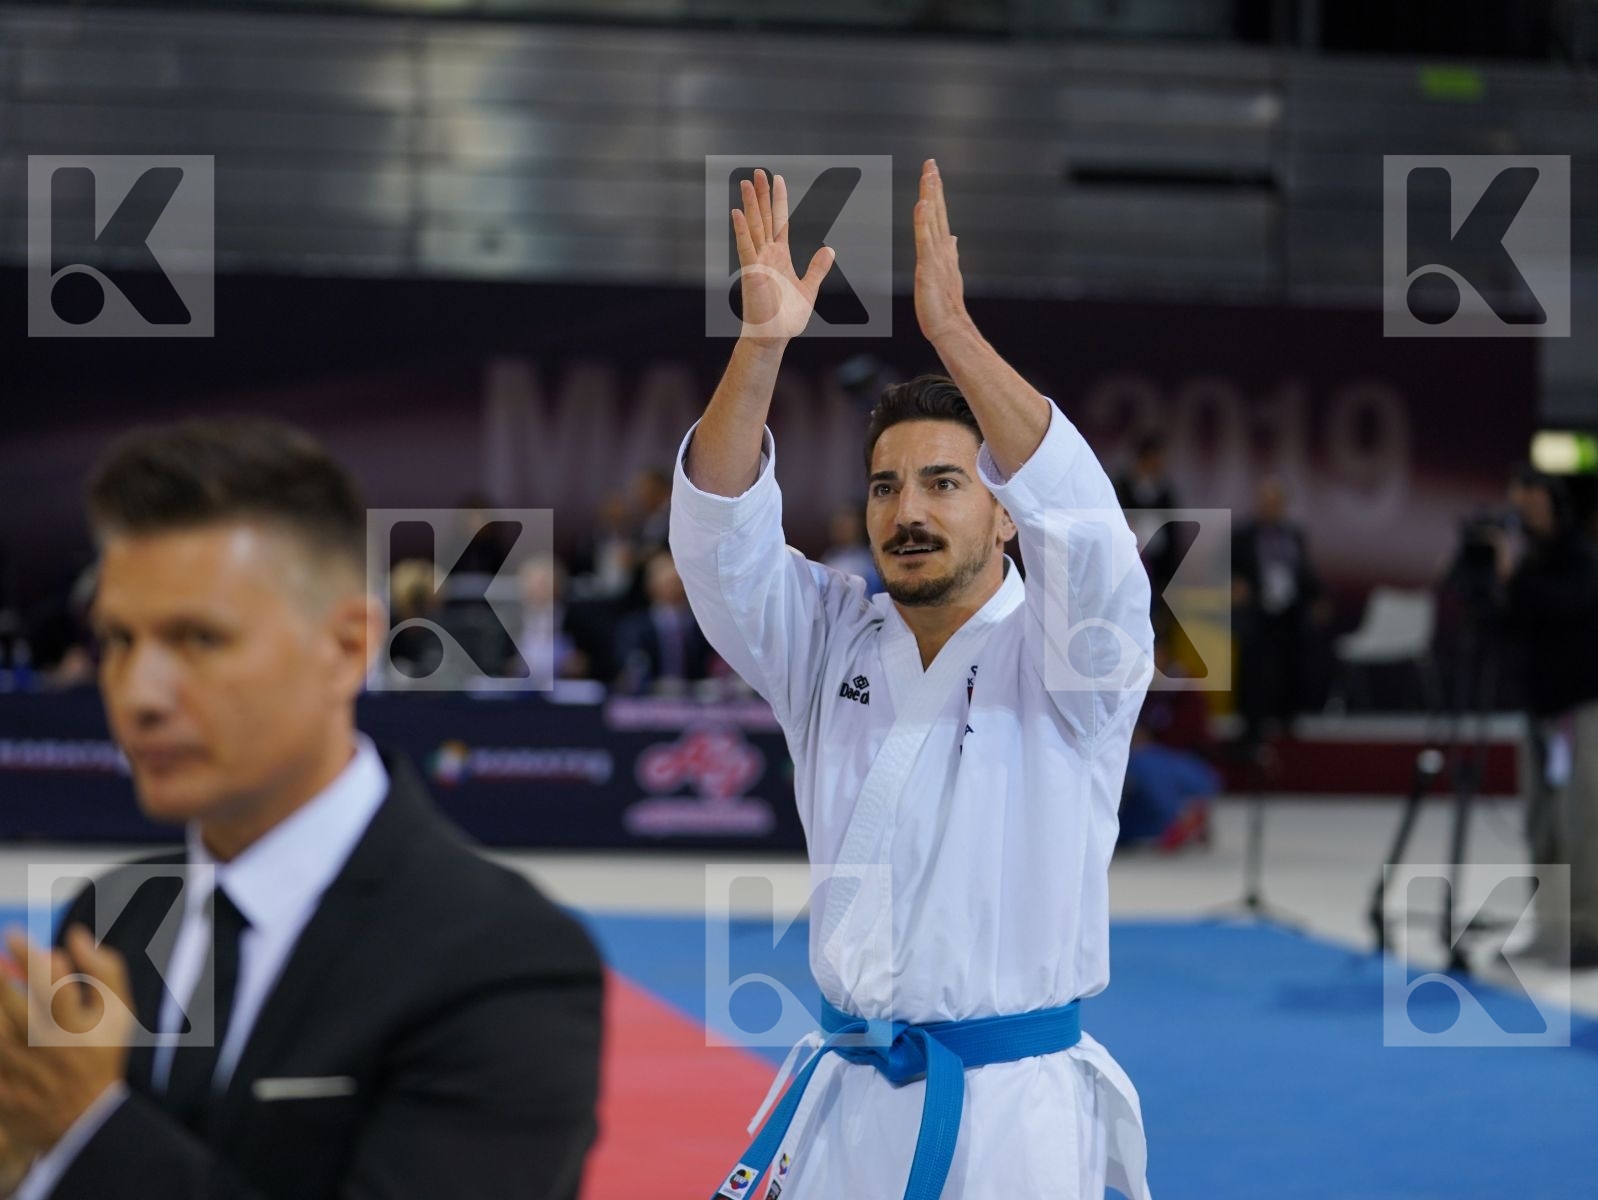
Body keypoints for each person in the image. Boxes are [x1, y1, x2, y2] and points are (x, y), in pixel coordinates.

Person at [671, 162, 1154, 1199]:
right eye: (885, 487)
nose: (908, 513)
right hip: (844, 1095)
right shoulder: (829, 639)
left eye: (943, 483)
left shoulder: (1076, 662)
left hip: (1009, 1114)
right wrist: (760, 348)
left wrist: (955, 337)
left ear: (1006, 511)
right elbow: (718, 547)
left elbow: (1092, 538)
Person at [0, 419, 604, 1199]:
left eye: (198, 639)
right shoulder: (114, 914)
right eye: (118, 639)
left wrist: (84, 1133)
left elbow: (91, 1140)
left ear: (348, 646)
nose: (140, 694)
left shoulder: (506, 959)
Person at [1491, 467, 1598, 969]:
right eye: (1520, 504)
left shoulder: (1581, 556)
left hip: (1578, 708)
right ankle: (1551, 927)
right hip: (1538, 709)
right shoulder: (1527, 558)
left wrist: (1516, 577)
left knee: (1580, 822)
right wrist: (1494, 582)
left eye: (1533, 503)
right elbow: (1508, 625)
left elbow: (1570, 605)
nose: (1526, 513)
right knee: (1541, 825)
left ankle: (1588, 928)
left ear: (1553, 504)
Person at [1230, 475, 1326, 753]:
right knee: (1254, 669)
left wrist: (1317, 598)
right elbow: (1226, 569)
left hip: (1289, 612)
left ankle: (1288, 722)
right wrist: (1235, 584)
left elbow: (1305, 572)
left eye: (1275, 503)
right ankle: (1251, 728)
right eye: (1265, 503)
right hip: (1256, 612)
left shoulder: (1294, 535)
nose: (1270, 509)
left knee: (1290, 665)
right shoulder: (1243, 536)